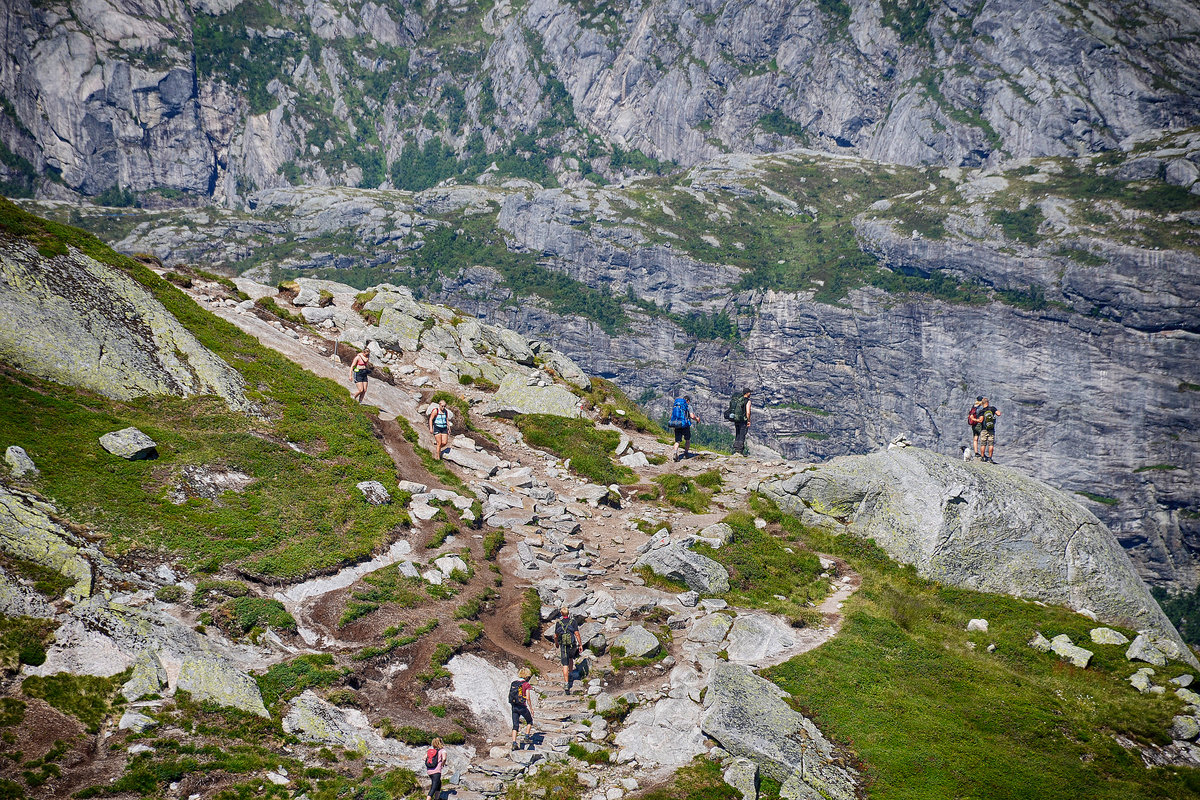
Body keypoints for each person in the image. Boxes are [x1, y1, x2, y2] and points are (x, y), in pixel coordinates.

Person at [553, 607, 582, 694]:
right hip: (572, 644)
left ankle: (566, 683)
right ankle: (571, 675)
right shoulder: (573, 622)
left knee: (564, 664)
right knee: (571, 658)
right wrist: (580, 644)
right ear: (568, 614)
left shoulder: (559, 623)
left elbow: (555, 636)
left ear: (561, 614)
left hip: (563, 646)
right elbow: (577, 634)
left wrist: (557, 643)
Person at [509, 667, 534, 751]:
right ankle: (527, 736)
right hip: (522, 707)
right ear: (527, 676)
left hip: (514, 706)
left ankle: (514, 743)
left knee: (515, 725)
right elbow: (528, 698)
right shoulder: (526, 684)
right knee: (529, 721)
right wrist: (531, 708)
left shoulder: (514, 683)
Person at [670, 395, 699, 462]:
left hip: (677, 424)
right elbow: (692, 416)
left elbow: (672, 416)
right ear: (688, 401)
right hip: (685, 425)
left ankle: (675, 453)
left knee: (677, 441)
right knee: (687, 439)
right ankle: (686, 453)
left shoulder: (677, 406)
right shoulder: (688, 406)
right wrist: (697, 419)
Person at [727, 388, 752, 456]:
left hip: (736, 419)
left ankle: (736, 449)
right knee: (742, 434)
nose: (750, 394)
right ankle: (740, 451)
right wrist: (748, 420)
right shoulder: (747, 401)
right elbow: (748, 412)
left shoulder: (738, 400)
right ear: (747, 393)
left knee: (737, 433)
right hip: (743, 420)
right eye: (749, 392)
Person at [978, 397, 1002, 463]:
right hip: (991, 429)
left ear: (982, 403)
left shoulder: (982, 411)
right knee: (991, 444)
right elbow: (999, 414)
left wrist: (974, 419)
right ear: (988, 402)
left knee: (983, 443)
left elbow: (981, 420)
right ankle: (990, 458)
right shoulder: (992, 408)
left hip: (984, 429)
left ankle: (982, 457)